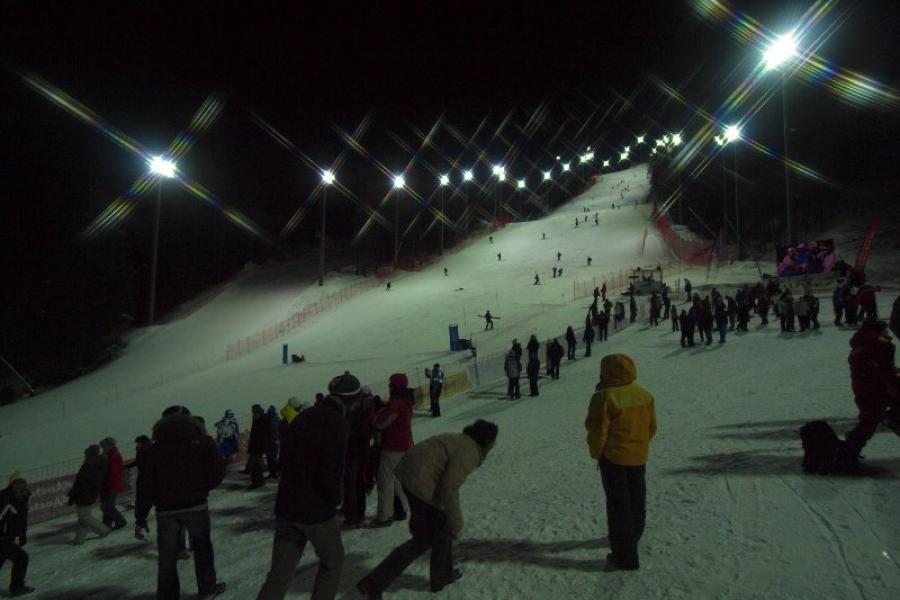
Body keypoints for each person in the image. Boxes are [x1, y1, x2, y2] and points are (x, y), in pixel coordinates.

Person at [357, 421, 499, 598]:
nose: (493, 446)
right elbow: (449, 487)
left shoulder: (463, 441)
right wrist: (458, 524)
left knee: (441, 529)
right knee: (424, 539)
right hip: (419, 481)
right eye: (493, 442)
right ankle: (374, 582)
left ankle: (442, 576)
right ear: (486, 440)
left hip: (412, 473)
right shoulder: (469, 452)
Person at [256, 392, 349, 600]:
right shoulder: (336, 423)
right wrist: (335, 499)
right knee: (333, 561)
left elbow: (282, 459)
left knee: (279, 573)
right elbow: (332, 469)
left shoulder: (301, 418)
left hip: (287, 505)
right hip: (316, 511)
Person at [136, 406, 227, 599]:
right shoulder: (202, 442)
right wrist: (203, 487)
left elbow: (145, 485)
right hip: (196, 505)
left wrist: (140, 517)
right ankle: (207, 590)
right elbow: (218, 470)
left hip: (165, 510)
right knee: (202, 549)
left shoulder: (152, 450)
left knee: (167, 558)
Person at [584, 354, 657, 571]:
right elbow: (652, 426)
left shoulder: (604, 397)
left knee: (618, 506)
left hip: (614, 458)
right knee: (636, 498)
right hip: (638, 456)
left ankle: (625, 557)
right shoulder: (644, 394)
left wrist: (597, 453)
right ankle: (634, 535)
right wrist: (639, 445)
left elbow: (598, 430)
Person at [844, 320, 899, 462]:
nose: (887, 334)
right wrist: (891, 382)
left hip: (871, 390)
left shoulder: (867, 346)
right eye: (884, 331)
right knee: (869, 421)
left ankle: (850, 449)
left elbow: (881, 369)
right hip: (873, 391)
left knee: (869, 421)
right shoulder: (874, 347)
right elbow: (882, 371)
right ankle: (849, 451)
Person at [372, 374, 414, 526]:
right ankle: (401, 509)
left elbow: (380, 423)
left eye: (390, 384)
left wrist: (373, 413)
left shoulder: (396, 403)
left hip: (393, 447)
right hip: (405, 445)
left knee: (386, 481)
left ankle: (385, 515)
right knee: (397, 480)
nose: (389, 387)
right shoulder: (406, 400)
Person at [67, 444, 110, 545]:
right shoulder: (99, 464)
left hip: (85, 494)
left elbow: (81, 482)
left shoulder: (89, 465)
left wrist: (73, 494)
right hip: (91, 493)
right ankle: (79, 539)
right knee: (83, 517)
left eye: (86, 454)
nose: (85, 455)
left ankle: (103, 530)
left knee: (84, 516)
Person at [0, 473, 33, 596]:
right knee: (22, 558)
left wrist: (22, 534)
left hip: (9, 537)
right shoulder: (3, 498)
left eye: (22, 482)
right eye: (17, 482)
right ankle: (17, 587)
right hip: (3, 538)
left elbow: (21, 519)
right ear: (11, 484)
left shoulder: (24, 497)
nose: (20, 485)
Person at [98, 437, 127, 530]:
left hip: (111, 485)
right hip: (108, 485)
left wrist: (104, 461)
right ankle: (106, 524)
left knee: (107, 506)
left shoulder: (113, 456)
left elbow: (112, 472)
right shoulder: (109, 455)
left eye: (104, 447)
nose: (103, 449)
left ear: (110, 446)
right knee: (106, 505)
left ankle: (120, 521)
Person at [247, 404, 271, 490]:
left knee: (253, 464)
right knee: (256, 465)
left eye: (254, 412)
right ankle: (259, 481)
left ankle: (257, 482)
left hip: (258, 446)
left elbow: (262, 434)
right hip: (256, 446)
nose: (253, 414)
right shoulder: (259, 419)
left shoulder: (262, 420)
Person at [266, 405, 282, 478]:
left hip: (272, 442)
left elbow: (274, 431)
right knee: (272, 458)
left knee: (271, 458)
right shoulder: (276, 419)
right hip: (273, 441)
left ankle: (273, 473)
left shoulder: (272, 420)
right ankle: (274, 473)